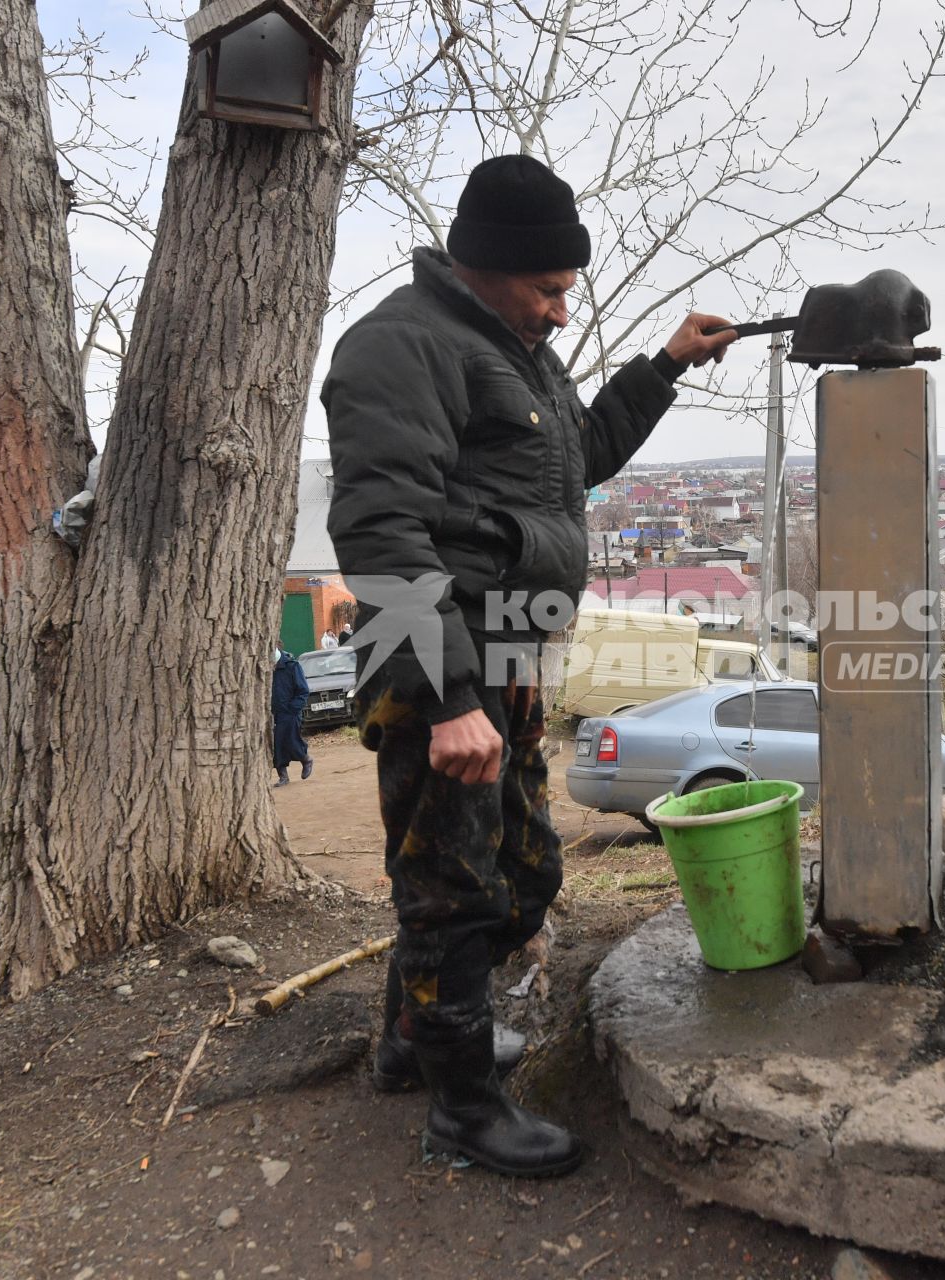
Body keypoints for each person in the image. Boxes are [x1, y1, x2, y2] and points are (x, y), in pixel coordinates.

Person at [323, 154, 734, 1179]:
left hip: (503, 654)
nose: (561, 310)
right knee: (454, 888)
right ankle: (462, 1108)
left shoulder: (513, 347)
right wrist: (450, 696)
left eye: (567, 291)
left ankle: (411, 1040)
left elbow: (577, 455)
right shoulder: (400, 348)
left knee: (515, 869)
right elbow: (381, 531)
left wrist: (666, 364)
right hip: (441, 669)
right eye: (549, 288)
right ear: (488, 264)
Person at [270, 646, 314, 786]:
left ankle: (305, 758)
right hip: (272, 713)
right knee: (275, 744)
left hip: (290, 712)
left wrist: (293, 708)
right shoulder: (264, 668)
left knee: (291, 740)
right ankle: (283, 776)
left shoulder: (292, 666)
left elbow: (303, 691)